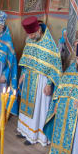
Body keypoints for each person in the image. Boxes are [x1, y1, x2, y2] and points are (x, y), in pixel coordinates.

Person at [17, 17, 62, 146]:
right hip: (29, 79)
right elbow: (27, 60)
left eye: (32, 34)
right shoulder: (30, 41)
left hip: (42, 81)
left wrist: (49, 84)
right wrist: (23, 74)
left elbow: (55, 66)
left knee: (38, 108)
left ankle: (34, 135)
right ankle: (24, 130)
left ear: (38, 30)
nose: (30, 36)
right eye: (28, 34)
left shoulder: (49, 44)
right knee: (26, 105)